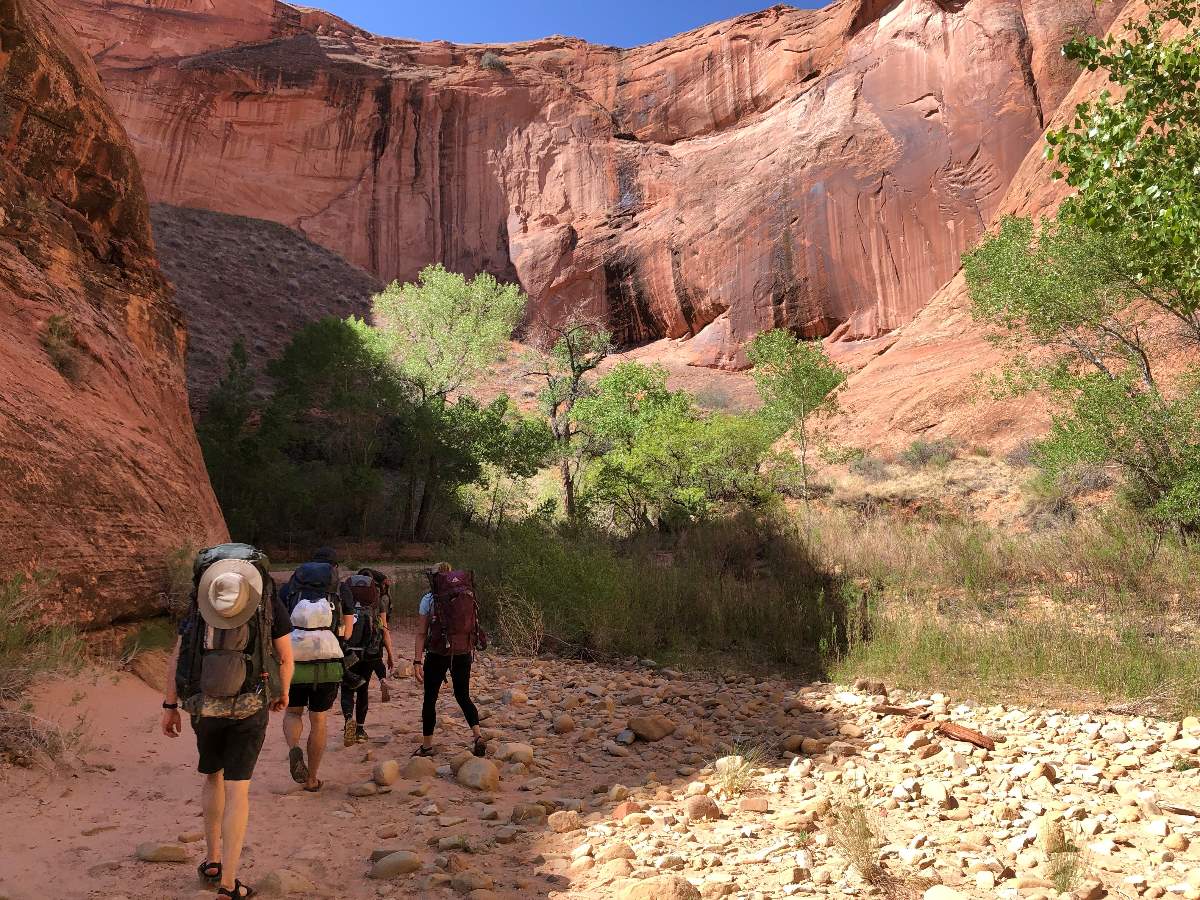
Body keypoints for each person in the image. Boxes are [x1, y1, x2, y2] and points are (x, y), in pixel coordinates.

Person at [162, 544, 294, 900]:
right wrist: (283, 692)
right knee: (239, 790)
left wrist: (170, 704)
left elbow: (178, 657)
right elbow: (285, 656)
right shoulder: (266, 602)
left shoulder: (200, 603)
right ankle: (229, 884)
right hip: (251, 705)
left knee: (212, 777)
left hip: (204, 706)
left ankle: (212, 861)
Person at [278, 546, 354, 792]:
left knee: (293, 713)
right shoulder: (341, 589)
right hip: (328, 662)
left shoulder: (289, 588)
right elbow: (348, 630)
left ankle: (294, 749)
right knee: (318, 719)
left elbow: (277, 627)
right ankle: (312, 778)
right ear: (334, 568)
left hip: (294, 660)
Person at [412, 562, 485, 758]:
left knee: (430, 699)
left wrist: (417, 661)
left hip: (437, 653)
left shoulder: (429, 599)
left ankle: (427, 746)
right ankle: (477, 735)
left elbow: (421, 633)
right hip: (462, 650)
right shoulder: (466, 594)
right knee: (463, 696)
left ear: (435, 578)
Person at [338, 569, 396, 745]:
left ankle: (348, 718)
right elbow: (384, 630)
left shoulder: (345, 599)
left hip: (349, 650)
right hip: (369, 652)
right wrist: (390, 655)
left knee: (347, 688)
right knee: (362, 689)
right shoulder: (377, 602)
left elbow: (340, 626)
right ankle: (361, 730)